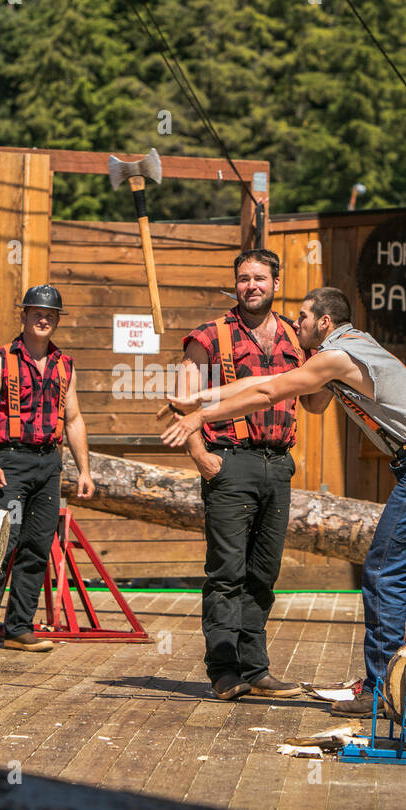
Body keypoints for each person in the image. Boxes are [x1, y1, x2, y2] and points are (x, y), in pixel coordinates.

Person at [163, 286, 406, 716]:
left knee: (382, 572)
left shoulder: (335, 357)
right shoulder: (354, 346)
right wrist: (200, 396)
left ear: (325, 322)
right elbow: (267, 381)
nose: (296, 323)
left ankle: (380, 689)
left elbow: (271, 395)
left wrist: (201, 417)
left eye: (303, 317)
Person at [175, 249, 307, 701]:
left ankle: (256, 668)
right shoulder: (210, 336)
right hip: (230, 462)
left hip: (278, 464)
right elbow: (182, 401)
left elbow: (317, 401)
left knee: (263, 574)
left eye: (260, 278)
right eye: (244, 278)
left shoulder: (294, 335)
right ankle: (225, 670)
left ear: (275, 283)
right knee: (226, 573)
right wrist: (202, 457)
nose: (251, 285)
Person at [0, 284, 95, 653]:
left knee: (37, 545)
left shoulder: (64, 364)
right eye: (36, 312)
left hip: (49, 464)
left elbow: (74, 418)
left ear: (56, 320)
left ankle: (20, 627)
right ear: (23, 315)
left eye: (50, 314)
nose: (43, 318)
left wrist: (84, 471)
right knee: (0, 542)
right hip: (10, 461)